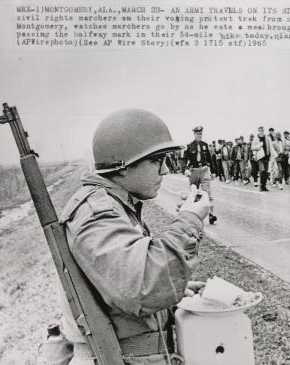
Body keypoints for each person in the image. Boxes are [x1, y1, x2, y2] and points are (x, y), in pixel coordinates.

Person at [59, 109, 210, 364]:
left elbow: (119, 291)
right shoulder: (98, 212)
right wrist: (190, 220)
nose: (165, 170)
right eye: (156, 160)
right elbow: (143, 287)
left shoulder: (112, 205)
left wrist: (173, 298)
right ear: (123, 166)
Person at [184, 126, 218, 224]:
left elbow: (209, 158)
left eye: (200, 134)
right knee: (194, 194)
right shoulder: (189, 146)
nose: (199, 135)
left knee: (207, 193)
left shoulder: (205, 145)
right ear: (194, 134)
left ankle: (211, 215)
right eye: (197, 134)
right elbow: (184, 160)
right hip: (193, 171)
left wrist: (214, 171)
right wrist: (185, 170)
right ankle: (194, 217)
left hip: (204, 170)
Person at [251, 126, 271, 192]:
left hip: (266, 157)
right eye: (260, 130)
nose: (261, 131)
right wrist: (259, 146)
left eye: (262, 130)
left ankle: (264, 186)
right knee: (262, 171)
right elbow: (252, 148)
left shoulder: (267, 138)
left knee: (266, 172)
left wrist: (270, 154)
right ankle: (261, 186)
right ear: (258, 131)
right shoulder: (255, 139)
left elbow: (270, 146)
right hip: (260, 157)